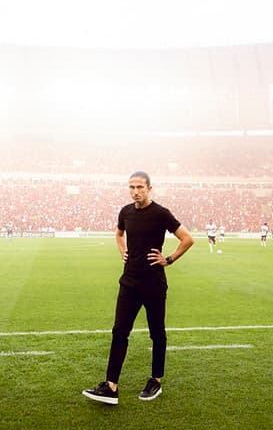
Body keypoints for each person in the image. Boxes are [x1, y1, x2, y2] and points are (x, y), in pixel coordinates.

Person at [83, 171, 194, 405]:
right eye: (131, 187)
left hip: (153, 283)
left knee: (157, 333)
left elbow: (187, 239)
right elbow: (119, 233)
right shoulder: (125, 212)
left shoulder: (161, 214)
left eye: (140, 187)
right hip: (129, 283)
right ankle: (110, 386)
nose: (135, 191)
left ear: (149, 189)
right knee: (119, 332)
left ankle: (156, 380)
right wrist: (122, 250)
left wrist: (169, 259)